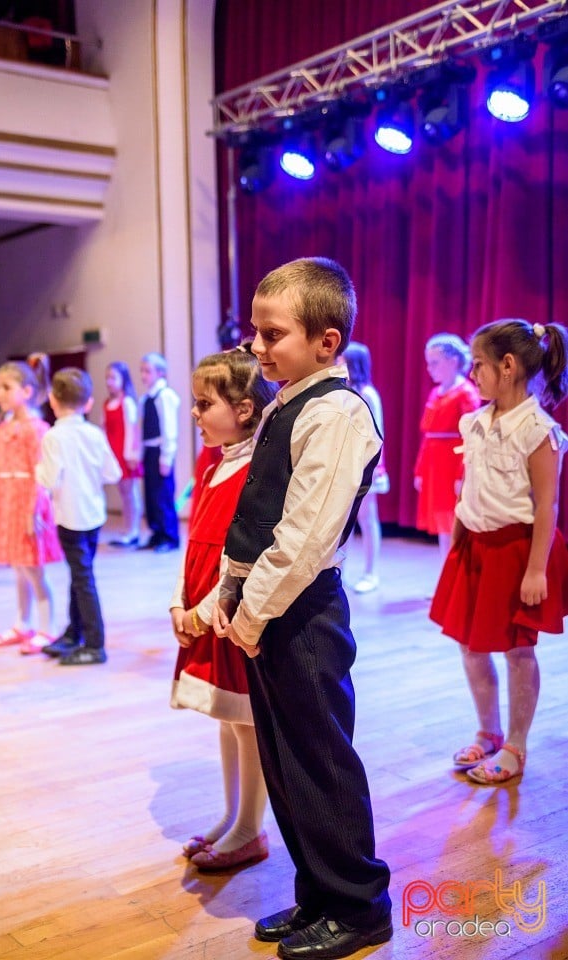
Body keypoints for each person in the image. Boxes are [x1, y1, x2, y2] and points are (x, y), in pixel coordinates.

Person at [213, 258, 392, 960]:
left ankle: (358, 904)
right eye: (254, 331)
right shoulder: (290, 400)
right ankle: (319, 893)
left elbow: (305, 537)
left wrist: (251, 618)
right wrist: (229, 593)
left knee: (319, 763)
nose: (256, 346)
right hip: (266, 608)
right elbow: (257, 517)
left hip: (302, 614)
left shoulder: (339, 413)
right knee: (287, 766)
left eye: (271, 333)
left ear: (327, 341)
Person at [431, 319, 568, 785]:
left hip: (516, 551)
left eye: (479, 365)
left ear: (508, 367)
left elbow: (546, 506)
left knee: (515, 650)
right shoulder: (473, 421)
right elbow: (468, 487)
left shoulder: (539, 430)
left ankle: (515, 745)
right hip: (474, 546)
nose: (473, 374)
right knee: (470, 645)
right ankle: (487, 731)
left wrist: (535, 571)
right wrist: (455, 540)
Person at [170, 346, 276, 871]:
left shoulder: (256, 469)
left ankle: (250, 828)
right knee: (226, 717)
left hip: (229, 614)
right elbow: (196, 544)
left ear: (244, 410)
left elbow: (245, 558)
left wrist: (204, 609)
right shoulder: (215, 464)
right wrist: (177, 601)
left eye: (204, 403)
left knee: (246, 720)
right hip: (204, 610)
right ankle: (233, 816)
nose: (195, 413)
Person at [36, 368, 122, 665]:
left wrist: (36, 471)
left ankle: (95, 644)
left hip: (69, 517)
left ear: (52, 400)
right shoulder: (94, 433)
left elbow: (47, 480)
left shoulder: (54, 436)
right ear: (88, 403)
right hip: (93, 515)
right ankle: (75, 633)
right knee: (79, 574)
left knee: (83, 578)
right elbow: (113, 472)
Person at [0, 360, 62, 653]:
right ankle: (21, 623)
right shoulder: (2, 429)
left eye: (6, 387)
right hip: (6, 500)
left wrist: (35, 510)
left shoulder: (37, 429)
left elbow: (42, 473)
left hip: (27, 503)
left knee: (34, 569)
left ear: (26, 391)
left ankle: (46, 627)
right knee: (18, 568)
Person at [414, 333, 480, 564]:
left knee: (455, 523)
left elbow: (471, 439)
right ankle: (445, 575)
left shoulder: (466, 394)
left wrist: (461, 473)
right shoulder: (436, 392)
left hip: (452, 465)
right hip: (435, 465)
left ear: (452, 361)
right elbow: (428, 436)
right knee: (443, 525)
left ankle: (457, 578)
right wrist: (420, 470)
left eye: (435, 362)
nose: (429, 368)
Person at [343, 342, 389, 594]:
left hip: (365, 465)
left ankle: (371, 573)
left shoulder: (368, 394)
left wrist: (369, 466)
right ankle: (342, 570)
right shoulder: (344, 391)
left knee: (367, 519)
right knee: (344, 521)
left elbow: (376, 433)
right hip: (346, 464)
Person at [137, 352, 180, 552]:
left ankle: (169, 536)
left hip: (160, 452)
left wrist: (166, 456)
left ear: (160, 373)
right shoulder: (146, 398)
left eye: (148, 371)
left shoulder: (165, 396)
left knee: (163, 494)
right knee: (151, 495)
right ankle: (156, 532)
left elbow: (169, 428)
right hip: (148, 451)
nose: (143, 375)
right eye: (142, 371)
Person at [103, 361, 143, 547]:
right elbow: (105, 430)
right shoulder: (107, 404)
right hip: (113, 455)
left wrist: (131, 454)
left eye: (113, 378)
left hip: (125, 455)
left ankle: (133, 530)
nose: (109, 382)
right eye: (107, 378)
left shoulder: (127, 402)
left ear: (123, 380)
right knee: (123, 493)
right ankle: (128, 527)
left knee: (130, 493)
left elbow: (132, 430)